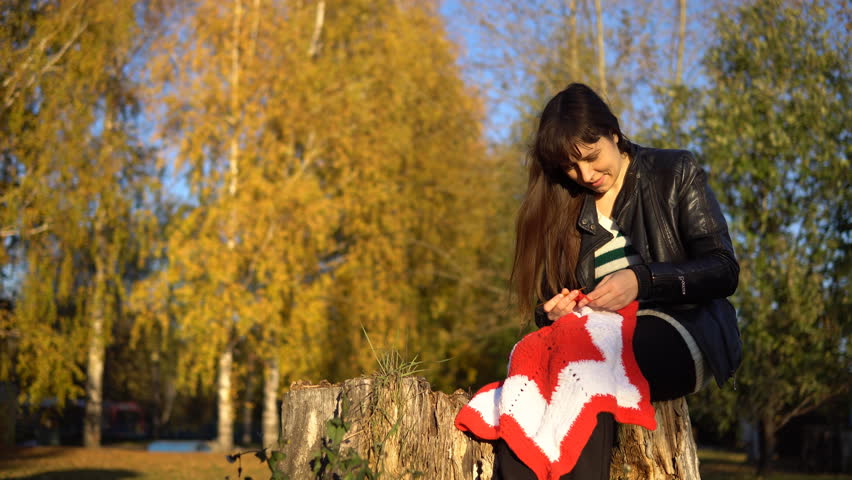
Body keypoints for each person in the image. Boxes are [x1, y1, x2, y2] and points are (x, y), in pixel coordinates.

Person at [495, 83, 742, 479]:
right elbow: (555, 299)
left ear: (614, 132)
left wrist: (643, 281)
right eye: (571, 168)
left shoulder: (673, 171)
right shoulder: (567, 203)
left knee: (588, 355)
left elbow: (723, 269)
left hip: (685, 329)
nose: (585, 175)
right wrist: (553, 311)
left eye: (592, 158)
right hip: (595, 337)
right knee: (527, 364)